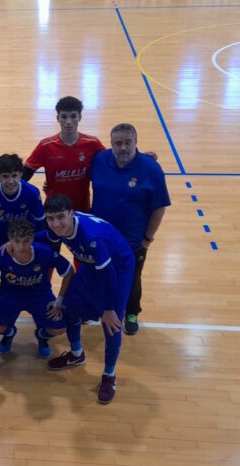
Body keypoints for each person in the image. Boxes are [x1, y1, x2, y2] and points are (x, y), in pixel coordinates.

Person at [41, 194, 135, 404]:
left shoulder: (91, 236)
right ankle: (76, 354)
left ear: (71, 214)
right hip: (92, 265)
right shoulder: (57, 227)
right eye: (50, 218)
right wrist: (15, 244)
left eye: (60, 217)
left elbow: (109, 273)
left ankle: (109, 376)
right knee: (70, 307)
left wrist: (109, 309)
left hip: (117, 269)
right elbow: (42, 238)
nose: (56, 224)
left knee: (112, 325)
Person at [91, 123, 169, 335]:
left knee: (132, 279)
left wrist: (147, 239)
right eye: (118, 143)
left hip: (133, 241)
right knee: (101, 273)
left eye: (128, 143)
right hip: (101, 239)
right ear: (111, 144)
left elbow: (159, 207)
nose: (123, 148)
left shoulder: (151, 169)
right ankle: (99, 308)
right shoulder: (99, 160)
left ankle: (132, 312)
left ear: (136, 143)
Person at [0, 219, 74, 357]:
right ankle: (9, 333)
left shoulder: (44, 252)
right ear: (9, 239)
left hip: (39, 295)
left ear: (32, 238)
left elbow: (69, 271)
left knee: (60, 328)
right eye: (16, 241)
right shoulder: (1, 253)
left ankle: (42, 335)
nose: (21, 246)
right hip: (9, 294)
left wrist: (60, 300)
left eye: (26, 241)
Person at [24, 96, 105, 213]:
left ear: (80, 117)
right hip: (55, 211)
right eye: (64, 117)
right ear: (58, 118)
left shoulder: (92, 144)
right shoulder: (45, 146)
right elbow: (26, 173)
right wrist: (1, 181)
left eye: (73, 116)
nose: (68, 122)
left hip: (82, 209)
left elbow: (109, 164)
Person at [0, 153, 45, 251]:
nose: (10, 181)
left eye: (14, 175)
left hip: (23, 240)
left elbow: (40, 222)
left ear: (21, 174)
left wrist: (35, 243)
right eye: (5, 176)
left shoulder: (32, 193)